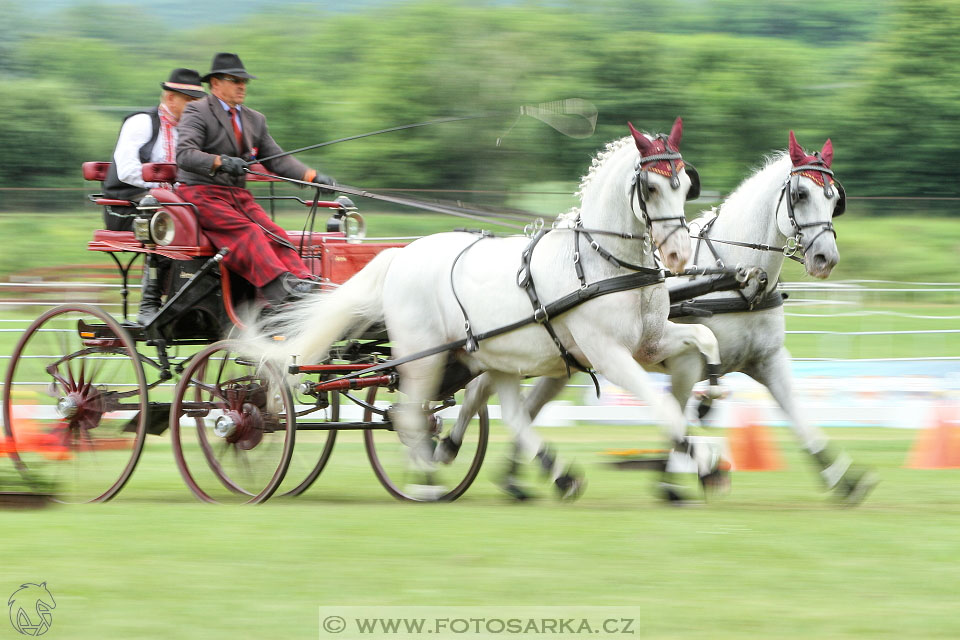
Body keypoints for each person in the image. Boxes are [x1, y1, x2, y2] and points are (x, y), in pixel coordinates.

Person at [176, 52, 336, 306]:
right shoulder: (197, 111)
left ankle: (303, 279)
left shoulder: (254, 119)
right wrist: (220, 162)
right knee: (248, 232)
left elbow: (277, 159)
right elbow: (185, 154)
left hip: (237, 196)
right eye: (234, 80)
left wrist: (313, 177)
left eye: (244, 81)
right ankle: (281, 288)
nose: (242, 86)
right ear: (215, 83)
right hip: (201, 193)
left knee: (274, 233)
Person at [102, 68, 206, 324]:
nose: (196, 108)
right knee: (165, 213)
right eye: (190, 101)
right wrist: (167, 187)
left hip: (177, 207)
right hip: (127, 207)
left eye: (198, 102)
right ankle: (149, 302)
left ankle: (195, 299)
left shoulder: (193, 131)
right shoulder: (141, 123)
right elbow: (126, 171)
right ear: (170, 98)